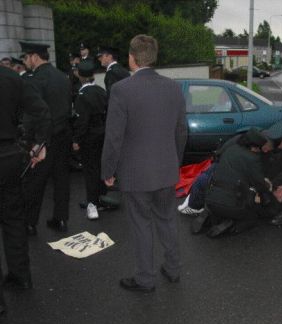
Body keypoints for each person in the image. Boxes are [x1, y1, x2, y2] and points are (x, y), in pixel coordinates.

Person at [101, 34, 187, 292]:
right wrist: (175, 162)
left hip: (136, 173)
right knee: (167, 221)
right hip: (166, 170)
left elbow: (114, 136)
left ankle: (145, 278)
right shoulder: (173, 88)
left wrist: (108, 170)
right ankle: (172, 269)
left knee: (141, 225)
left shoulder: (121, 90)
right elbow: (181, 131)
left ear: (131, 57)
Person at [1, 64, 50, 304]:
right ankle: (21, 276)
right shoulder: (12, 77)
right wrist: (38, 145)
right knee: (13, 217)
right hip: (9, 156)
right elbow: (42, 111)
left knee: (13, 216)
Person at [20, 41, 73, 234]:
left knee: (35, 182)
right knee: (61, 180)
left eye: (26, 57)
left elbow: (33, 115)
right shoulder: (63, 77)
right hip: (63, 134)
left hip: (44, 139)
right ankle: (60, 220)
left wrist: (34, 142)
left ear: (34, 56)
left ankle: (29, 223)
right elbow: (68, 106)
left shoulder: (34, 80)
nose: (25, 62)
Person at [204, 128, 272, 237]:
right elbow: (259, 185)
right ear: (255, 147)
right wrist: (268, 186)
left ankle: (213, 216)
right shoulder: (253, 158)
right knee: (253, 216)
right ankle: (232, 225)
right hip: (232, 207)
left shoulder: (231, 149)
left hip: (209, 200)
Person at [72, 60, 107, 220]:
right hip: (103, 134)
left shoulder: (82, 95)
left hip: (89, 137)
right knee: (100, 167)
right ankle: (101, 198)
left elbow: (82, 121)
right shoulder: (101, 91)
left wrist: (76, 140)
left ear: (80, 75)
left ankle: (92, 204)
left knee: (90, 170)